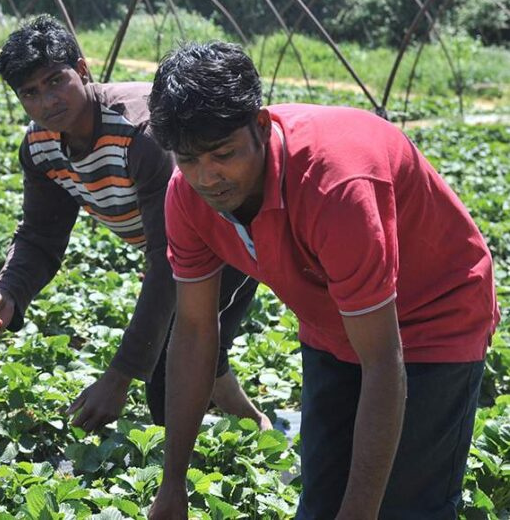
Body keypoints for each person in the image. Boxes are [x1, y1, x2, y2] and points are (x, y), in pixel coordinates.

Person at [146, 42, 499, 519]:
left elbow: (382, 359)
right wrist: (172, 484)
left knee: (408, 506)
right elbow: (193, 330)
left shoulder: (337, 188)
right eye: (188, 160)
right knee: (320, 502)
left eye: (223, 154)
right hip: (333, 322)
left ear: (261, 127)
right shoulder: (187, 195)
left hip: (433, 316)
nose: (208, 177)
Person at [0, 16, 270, 433]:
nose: (47, 101)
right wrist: (9, 291)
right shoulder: (40, 146)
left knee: (173, 365)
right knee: (199, 352)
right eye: (30, 93)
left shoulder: (139, 135)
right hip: (178, 250)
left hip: (227, 233)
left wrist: (121, 374)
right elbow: (41, 233)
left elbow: (167, 261)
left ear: (83, 70)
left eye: (56, 81)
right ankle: (255, 427)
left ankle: (193, 474)